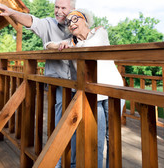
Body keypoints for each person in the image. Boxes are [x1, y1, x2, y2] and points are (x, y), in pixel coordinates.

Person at [0, 0, 77, 168]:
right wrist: (12, 12)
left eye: (63, 8)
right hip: (59, 85)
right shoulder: (48, 24)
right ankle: (57, 161)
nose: (58, 11)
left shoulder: (77, 24)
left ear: (72, 10)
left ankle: (72, 161)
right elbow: (31, 20)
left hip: (79, 83)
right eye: (56, 7)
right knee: (61, 123)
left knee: (78, 124)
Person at [45, 9, 125, 168]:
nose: (71, 23)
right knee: (96, 137)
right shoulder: (69, 42)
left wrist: (70, 45)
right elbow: (47, 45)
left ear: (86, 20)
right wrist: (59, 44)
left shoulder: (100, 32)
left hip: (113, 90)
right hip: (93, 94)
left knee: (113, 136)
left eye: (75, 19)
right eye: (68, 22)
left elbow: (90, 47)